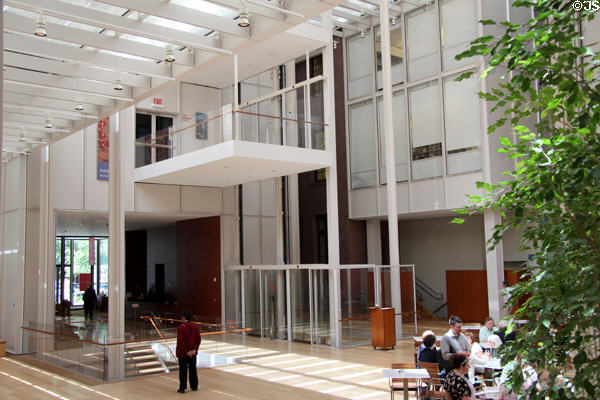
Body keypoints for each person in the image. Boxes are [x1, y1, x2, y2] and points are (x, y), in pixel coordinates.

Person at [176, 310, 201, 393]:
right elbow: (198, 339)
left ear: (184, 317)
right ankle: (194, 386)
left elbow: (181, 341)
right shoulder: (195, 326)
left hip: (183, 353)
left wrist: (186, 351)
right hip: (193, 353)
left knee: (183, 370)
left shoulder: (181, 327)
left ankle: (182, 388)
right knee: (193, 369)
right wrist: (194, 350)